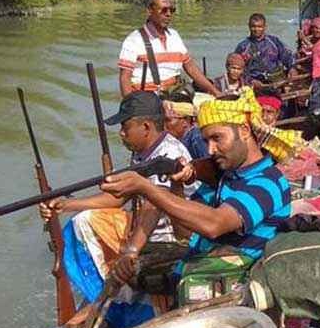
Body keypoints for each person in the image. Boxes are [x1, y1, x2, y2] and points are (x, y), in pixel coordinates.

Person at [99, 88, 301, 281]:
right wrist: (177, 184)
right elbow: (183, 233)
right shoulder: (225, 177)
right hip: (197, 270)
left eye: (217, 138)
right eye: (206, 141)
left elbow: (214, 224)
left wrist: (145, 188)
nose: (211, 150)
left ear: (244, 130)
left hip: (228, 284)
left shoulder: (268, 182)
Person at [40, 92, 199, 318]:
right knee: (84, 219)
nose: (122, 133)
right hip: (143, 228)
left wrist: (131, 250)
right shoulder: (143, 153)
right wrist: (67, 205)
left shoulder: (168, 154)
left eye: (125, 127)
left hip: (170, 238)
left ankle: (120, 301)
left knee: (89, 226)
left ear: (146, 127)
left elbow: (153, 206)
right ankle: (112, 295)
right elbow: (120, 197)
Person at [118, 0, 220, 98]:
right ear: (149, 10)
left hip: (175, 94)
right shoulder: (134, 40)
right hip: (147, 98)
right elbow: (125, 78)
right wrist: (130, 104)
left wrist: (215, 92)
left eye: (172, 10)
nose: (168, 14)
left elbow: (190, 67)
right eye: (164, 10)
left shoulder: (174, 36)